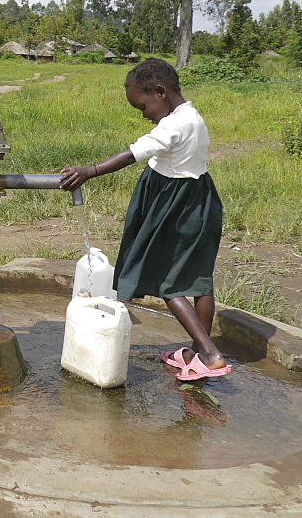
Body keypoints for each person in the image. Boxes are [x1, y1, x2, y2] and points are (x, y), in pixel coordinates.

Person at [59, 57, 232, 382]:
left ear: (159, 91)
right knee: (199, 281)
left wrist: (89, 172)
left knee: (168, 282)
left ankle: (210, 354)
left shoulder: (172, 125)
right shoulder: (192, 116)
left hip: (173, 208)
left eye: (143, 106)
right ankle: (195, 354)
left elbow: (132, 154)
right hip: (201, 204)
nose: (143, 114)